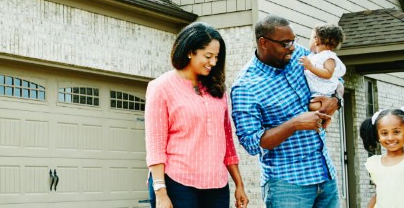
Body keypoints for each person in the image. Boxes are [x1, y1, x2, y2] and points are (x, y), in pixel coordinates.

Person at [231, 15, 341, 208]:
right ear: (264, 43)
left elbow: (335, 78)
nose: (292, 47)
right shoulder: (245, 86)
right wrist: (294, 124)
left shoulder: (300, 56)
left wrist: (336, 100)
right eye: (285, 43)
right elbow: (251, 142)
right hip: (288, 186)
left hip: (325, 176)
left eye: (293, 40)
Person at [145, 22, 248, 208]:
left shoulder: (217, 89)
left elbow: (227, 141)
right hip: (177, 182)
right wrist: (160, 192)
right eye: (208, 56)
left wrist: (239, 184)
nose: (213, 62)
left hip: (217, 185)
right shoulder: (161, 87)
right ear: (190, 52)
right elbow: (155, 145)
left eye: (216, 57)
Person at [299, 24, 346, 112]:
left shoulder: (329, 57)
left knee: (313, 106)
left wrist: (310, 67)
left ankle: (325, 116)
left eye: (311, 38)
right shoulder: (313, 56)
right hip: (315, 91)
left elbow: (328, 74)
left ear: (316, 40)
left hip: (325, 93)